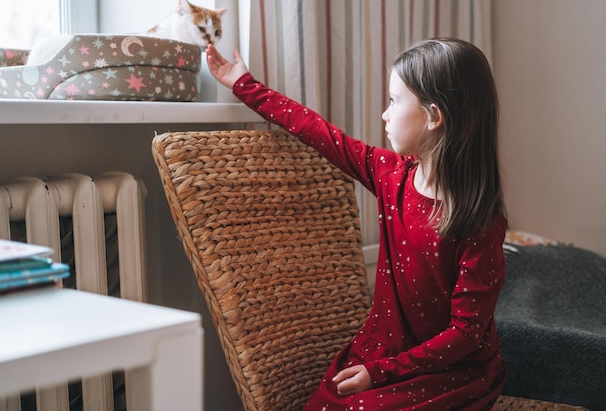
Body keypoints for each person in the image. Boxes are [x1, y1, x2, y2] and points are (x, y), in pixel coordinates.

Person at [206, 38, 507, 411]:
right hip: (383, 347)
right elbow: (314, 129)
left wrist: (381, 373)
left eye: (395, 101)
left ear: (433, 116)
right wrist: (243, 84)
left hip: (450, 371)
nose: (384, 114)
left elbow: (464, 336)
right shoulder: (389, 175)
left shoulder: (480, 222)